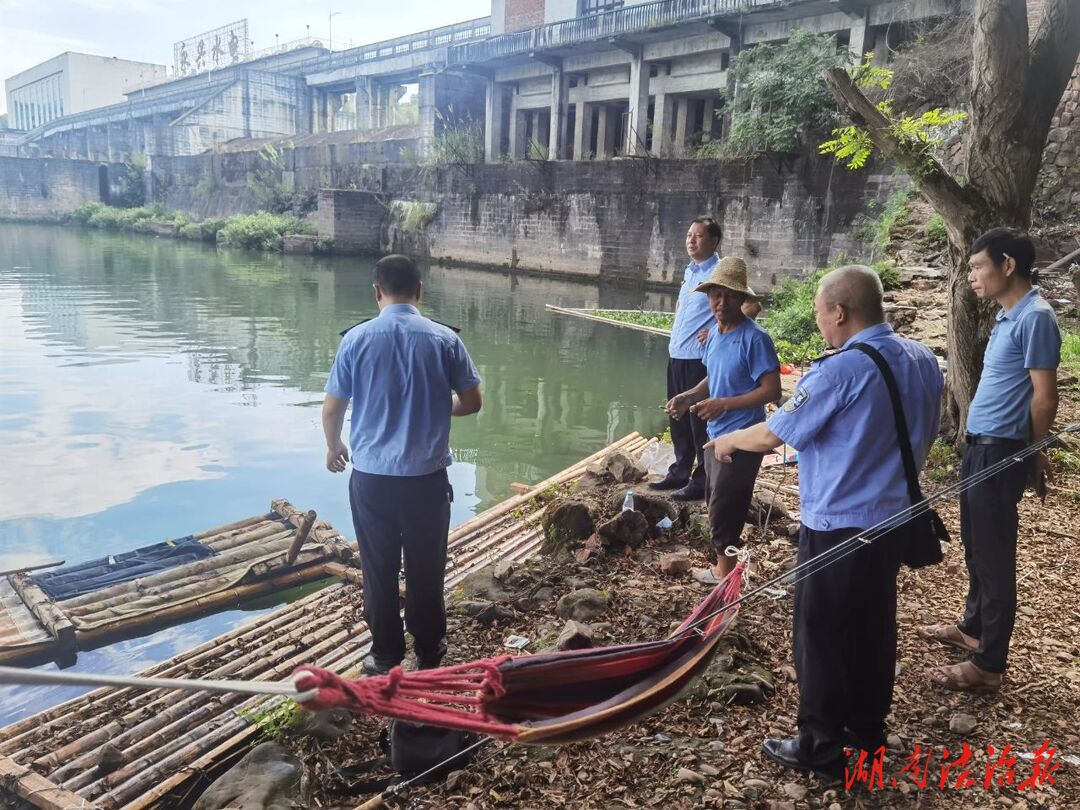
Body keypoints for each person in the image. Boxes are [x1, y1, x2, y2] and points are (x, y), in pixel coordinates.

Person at [705, 265, 943, 778]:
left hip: (840, 523)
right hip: (895, 520)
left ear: (839, 312)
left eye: (818, 312)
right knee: (874, 625)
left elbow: (774, 435)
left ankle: (820, 743)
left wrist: (727, 440)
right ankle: (866, 732)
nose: (817, 323)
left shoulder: (840, 371)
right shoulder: (923, 359)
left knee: (822, 630)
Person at [322, 254, 483, 676]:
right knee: (426, 566)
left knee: (377, 566)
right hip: (426, 480)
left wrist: (333, 445)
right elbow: (472, 402)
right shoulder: (445, 340)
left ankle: (384, 653)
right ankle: (429, 648)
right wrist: (436, 406)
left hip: (372, 479)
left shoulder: (355, 339)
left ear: (377, 292)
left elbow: (332, 407)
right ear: (420, 291)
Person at [922, 228, 1060, 693]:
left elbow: (1044, 397)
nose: (972, 276)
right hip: (981, 447)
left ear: (1007, 266)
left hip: (1002, 451)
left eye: (979, 266)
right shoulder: (1009, 317)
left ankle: (989, 663)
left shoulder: (1036, 317)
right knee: (977, 544)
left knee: (995, 554)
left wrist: (1034, 454)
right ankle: (974, 627)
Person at [664, 257, 780, 583]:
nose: (721, 302)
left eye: (729, 295)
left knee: (726, 508)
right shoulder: (714, 334)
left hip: (744, 438)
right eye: (715, 294)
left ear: (742, 299)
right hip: (715, 433)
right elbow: (712, 377)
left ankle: (725, 576)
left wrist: (725, 404)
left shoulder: (755, 339)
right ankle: (724, 568)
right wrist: (690, 396)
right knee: (714, 499)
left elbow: (771, 390)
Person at [650, 216, 723, 502]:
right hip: (677, 354)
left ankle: (701, 479)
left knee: (698, 420)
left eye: (699, 236)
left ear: (714, 241)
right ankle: (680, 470)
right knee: (677, 414)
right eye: (689, 235)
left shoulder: (720, 271)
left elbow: (750, 306)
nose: (691, 240)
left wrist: (717, 330)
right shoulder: (690, 272)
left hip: (699, 360)